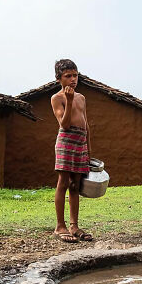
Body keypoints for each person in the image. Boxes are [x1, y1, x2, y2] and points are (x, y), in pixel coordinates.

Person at [50, 59, 93, 243]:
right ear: (59, 78)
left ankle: (74, 225)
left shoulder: (81, 98)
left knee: (76, 184)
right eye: (68, 76)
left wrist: (88, 150)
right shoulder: (57, 98)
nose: (73, 79)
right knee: (63, 182)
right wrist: (67, 100)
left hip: (80, 142)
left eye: (75, 75)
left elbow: (86, 125)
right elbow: (64, 124)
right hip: (66, 141)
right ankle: (60, 226)